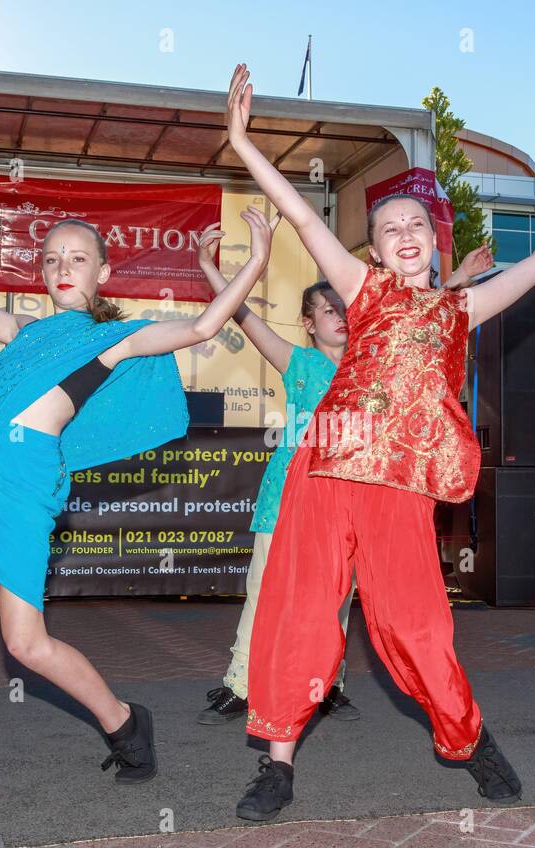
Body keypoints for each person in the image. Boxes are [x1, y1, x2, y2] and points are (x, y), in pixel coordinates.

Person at [223, 62, 535, 820]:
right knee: (301, 609)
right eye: (387, 230)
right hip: (328, 461)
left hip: (399, 480)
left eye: (415, 227)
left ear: (435, 247)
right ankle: (277, 762)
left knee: (417, 625)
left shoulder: (459, 310)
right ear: (372, 253)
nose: (403, 236)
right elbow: (305, 222)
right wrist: (243, 144)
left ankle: (468, 738)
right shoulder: (364, 291)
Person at [0, 204, 278, 815]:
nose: (62, 268)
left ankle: (126, 722)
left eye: (78, 259)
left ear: (102, 273)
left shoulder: (110, 338)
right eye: (52, 259)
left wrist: (257, 261)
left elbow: (201, 327)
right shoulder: (26, 334)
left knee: (25, 644)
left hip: (25, 486)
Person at [196, 236, 494, 726]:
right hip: (287, 502)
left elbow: (423, 309)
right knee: (267, 594)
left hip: (353, 501)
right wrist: (211, 268)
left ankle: (326, 685)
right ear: (308, 324)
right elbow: (242, 316)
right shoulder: (298, 363)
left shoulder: (374, 363)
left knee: (337, 600)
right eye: (325, 309)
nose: (339, 315)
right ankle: (241, 683)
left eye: (343, 306)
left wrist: (460, 277)